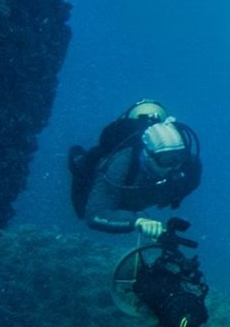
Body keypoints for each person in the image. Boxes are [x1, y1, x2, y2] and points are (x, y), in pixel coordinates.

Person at [68, 99, 202, 239]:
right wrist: (136, 221)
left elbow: (189, 183)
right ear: (148, 156)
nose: (174, 166)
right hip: (115, 193)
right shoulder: (122, 164)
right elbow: (96, 215)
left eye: (179, 157)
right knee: (81, 206)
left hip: (140, 194)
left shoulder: (190, 166)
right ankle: (79, 157)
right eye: (166, 159)